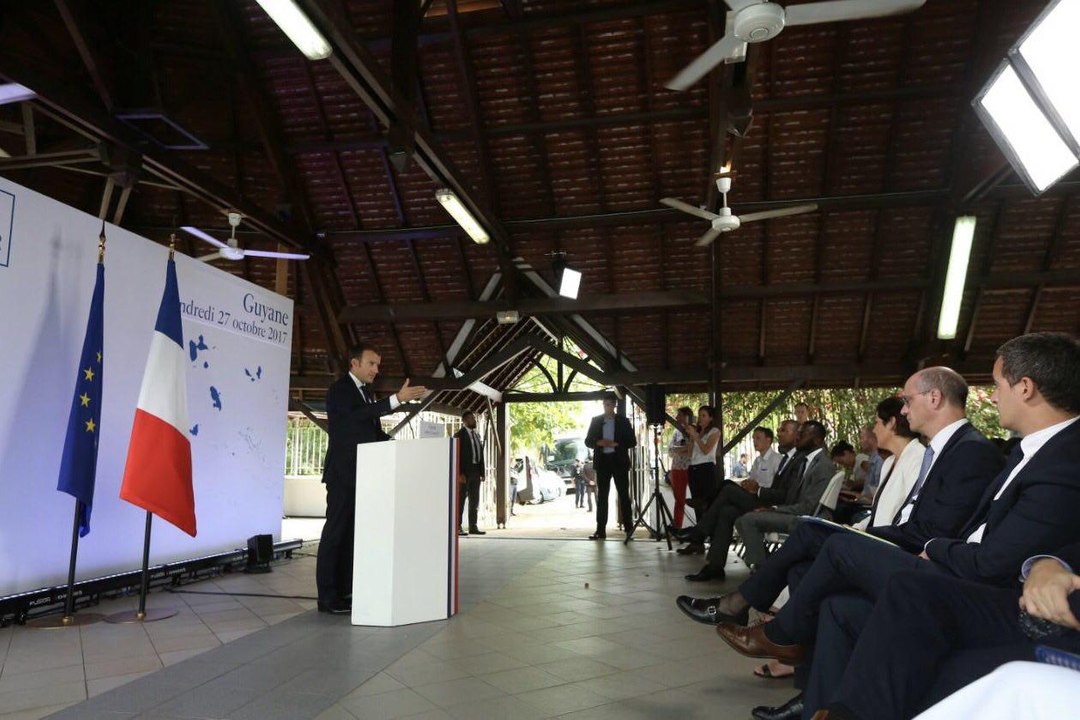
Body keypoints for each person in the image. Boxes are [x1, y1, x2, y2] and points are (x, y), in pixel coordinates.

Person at [715, 333, 1080, 719]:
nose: (991, 397)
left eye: (997, 385)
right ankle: (814, 703)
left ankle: (782, 638)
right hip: (967, 564)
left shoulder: (1059, 460)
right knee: (838, 604)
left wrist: (936, 549)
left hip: (986, 584)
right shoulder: (1030, 450)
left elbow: (991, 557)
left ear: (1025, 388)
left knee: (844, 550)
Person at [815, 540, 1080, 720]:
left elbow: (991, 561)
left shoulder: (1055, 476)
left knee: (950, 669)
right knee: (909, 590)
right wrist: (1049, 565)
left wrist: (933, 545)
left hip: (1061, 632)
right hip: (1043, 603)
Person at [316, 344, 427, 614]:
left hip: (362, 475)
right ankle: (327, 597)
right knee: (335, 535)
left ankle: (344, 591)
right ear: (354, 363)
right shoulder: (340, 390)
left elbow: (370, 431)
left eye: (378, 365)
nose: (376, 370)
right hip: (342, 475)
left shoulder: (366, 393)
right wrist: (396, 399)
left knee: (351, 535)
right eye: (371, 364)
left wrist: (399, 446)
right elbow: (356, 418)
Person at [584, 393, 635, 540]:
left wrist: (616, 444)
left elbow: (632, 441)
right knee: (602, 497)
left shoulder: (623, 421)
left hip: (619, 462)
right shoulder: (596, 421)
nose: (606, 407)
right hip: (603, 463)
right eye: (604, 404)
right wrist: (598, 442)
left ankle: (629, 529)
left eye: (609, 404)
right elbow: (588, 441)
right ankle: (600, 530)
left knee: (624, 496)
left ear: (614, 405)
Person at [455, 411, 486, 536]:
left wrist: (482, 472)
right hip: (464, 473)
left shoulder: (477, 435)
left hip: (476, 471)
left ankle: (473, 526)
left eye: (474, 418)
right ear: (465, 421)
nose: (474, 420)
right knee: (461, 500)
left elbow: (480, 454)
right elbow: (457, 455)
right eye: (471, 418)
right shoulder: (459, 435)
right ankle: (457, 527)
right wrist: (460, 473)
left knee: (474, 501)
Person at [686, 405, 721, 511]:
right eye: (699, 415)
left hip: (706, 468)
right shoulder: (697, 432)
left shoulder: (714, 431)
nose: (700, 418)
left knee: (708, 502)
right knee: (696, 503)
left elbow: (706, 450)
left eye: (703, 415)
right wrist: (692, 437)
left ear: (710, 418)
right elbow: (690, 454)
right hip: (693, 468)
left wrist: (695, 436)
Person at [668, 407, 694, 528]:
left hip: (691, 468)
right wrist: (685, 449)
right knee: (679, 500)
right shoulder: (676, 432)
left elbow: (694, 450)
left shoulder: (694, 431)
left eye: (679, 415)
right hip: (677, 468)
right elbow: (670, 451)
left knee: (697, 499)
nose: (677, 418)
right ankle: (677, 527)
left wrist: (680, 450)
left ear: (686, 417)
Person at [745, 426, 782, 490]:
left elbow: (779, 485)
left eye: (758, 438)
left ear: (768, 440)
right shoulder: (757, 460)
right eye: (753, 438)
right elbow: (752, 479)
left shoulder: (777, 459)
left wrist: (758, 487)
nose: (754, 441)